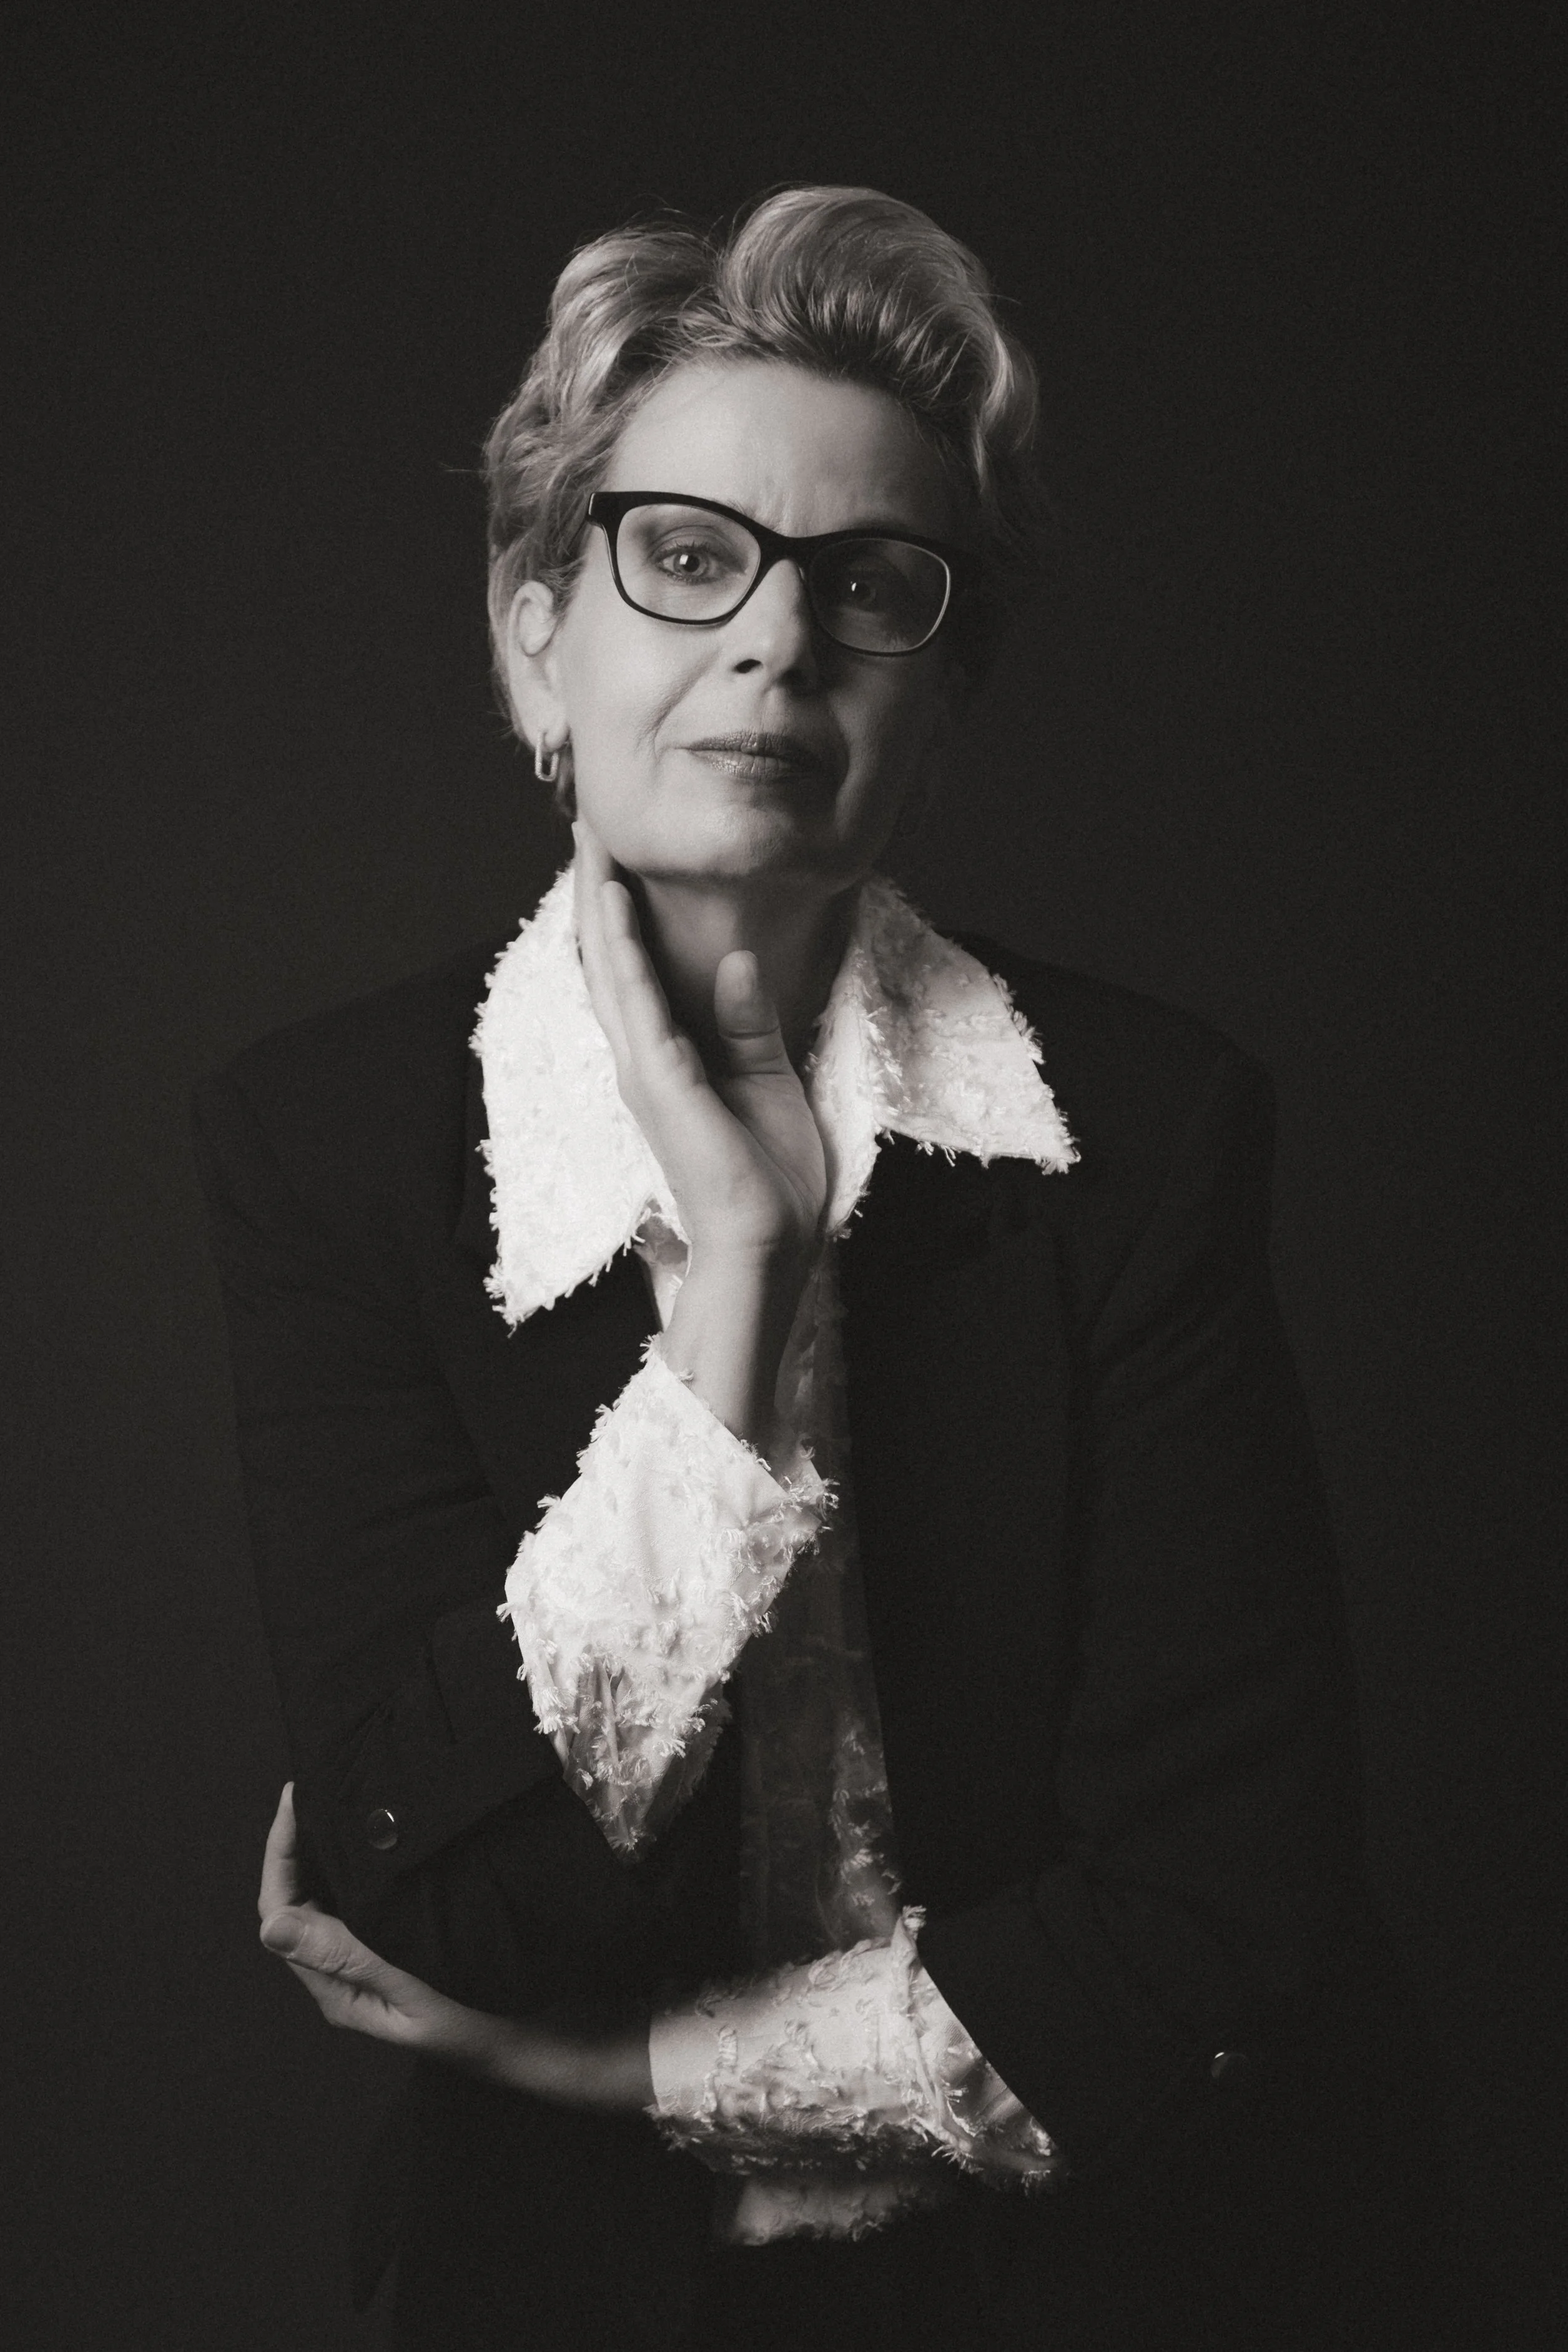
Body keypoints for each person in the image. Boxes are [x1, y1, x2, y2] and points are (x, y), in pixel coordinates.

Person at [195, 186, 1481, 2351]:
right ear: (536, 634)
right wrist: (744, 1287)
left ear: (936, 692)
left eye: (870, 587)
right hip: (554, 2303)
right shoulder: (322, 1144)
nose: (774, 644)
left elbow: (1219, 1916)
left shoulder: (1141, 1131)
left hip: (1134, 2280)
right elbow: (444, 1895)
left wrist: (623, 2071)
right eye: (686, 557)